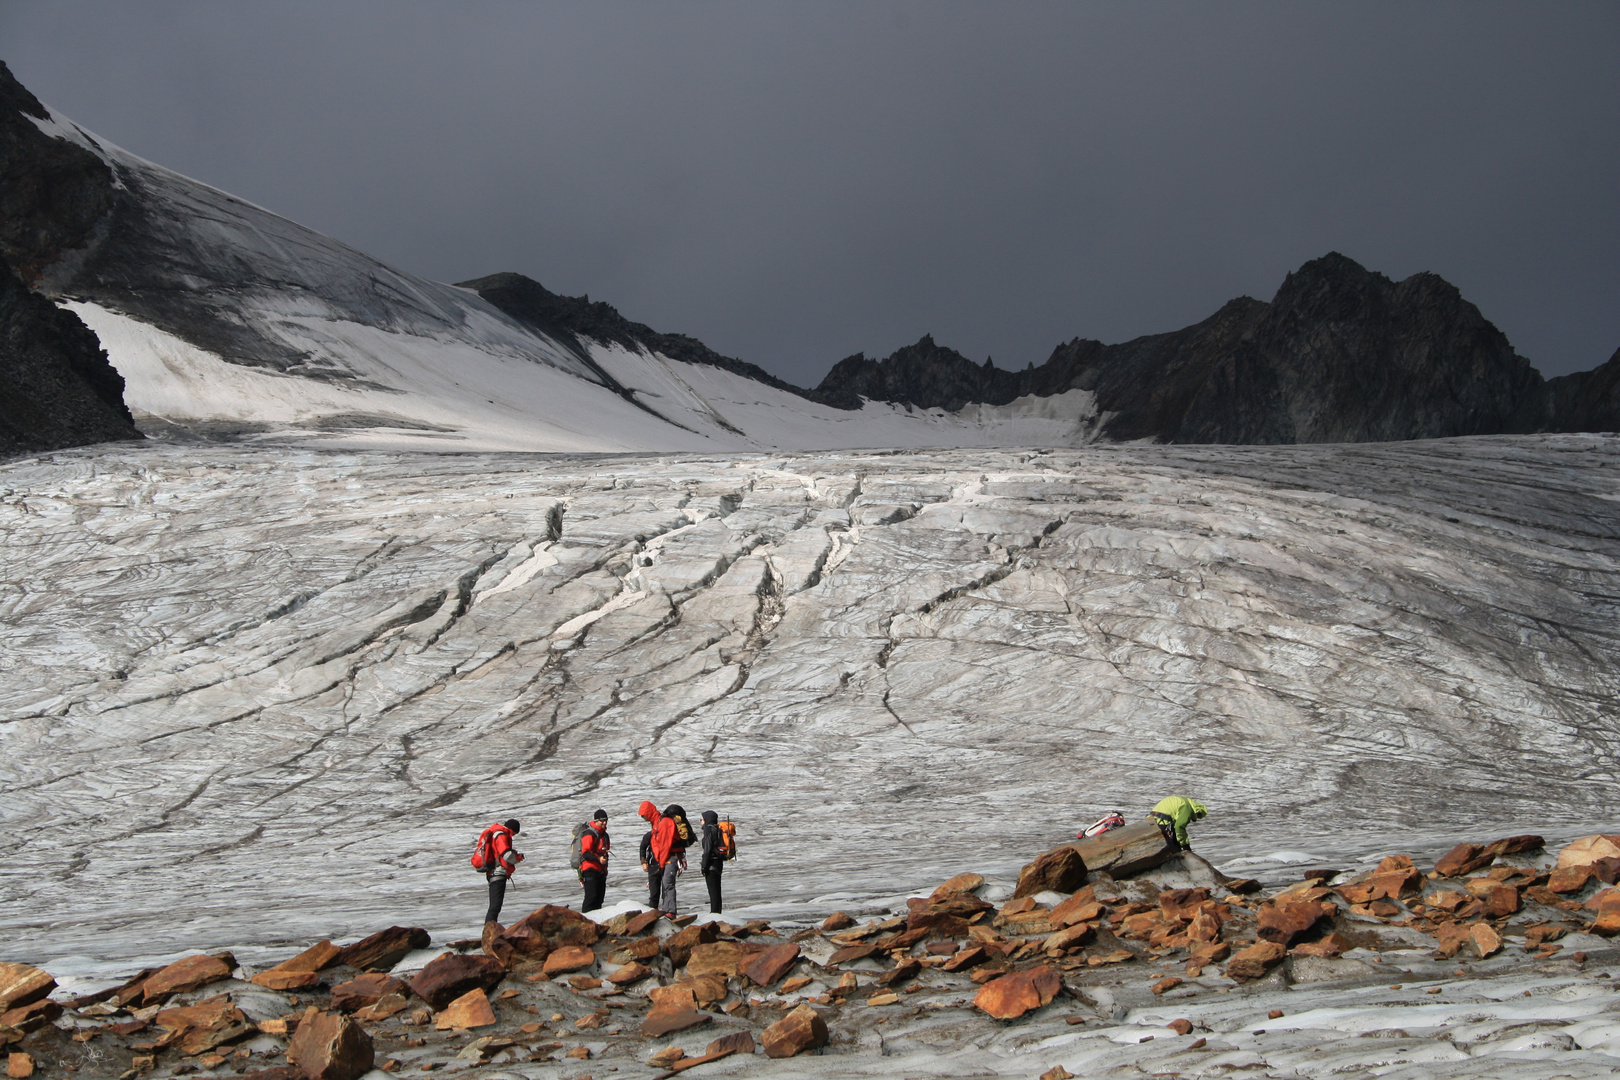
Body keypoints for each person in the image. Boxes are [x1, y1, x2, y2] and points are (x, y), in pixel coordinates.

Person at [638, 800, 689, 915]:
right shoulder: (657, 823)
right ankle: (666, 911)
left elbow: (665, 845)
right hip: (665, 858)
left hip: (670, 857)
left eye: (643, 815)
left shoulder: (664, 823)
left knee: (668, 883)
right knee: (665, 884)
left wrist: (660, 864)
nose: (643, 818)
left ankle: (670, 912)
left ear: (648, 812)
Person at [477, 818, 524, 926]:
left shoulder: (496, 833)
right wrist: (517, 858)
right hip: (498, 873)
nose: (513, 836)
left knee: (494, 906)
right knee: (495, 906)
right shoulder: (501, 835)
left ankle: (489, 931)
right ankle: (489, 933)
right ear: (513, 830)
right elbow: (506, 855)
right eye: (514, 834)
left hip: (493, 873)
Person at [578, 809, 610, 913]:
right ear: (596, 821)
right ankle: (587, 920)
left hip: (601, 871)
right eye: (602, 820)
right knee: (591, 898)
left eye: (606, 820)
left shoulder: (605, 835)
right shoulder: (589, 833)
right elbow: (585, 852)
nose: (604, 822)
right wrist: (598, 858)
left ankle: (596, 921)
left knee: (599, 899)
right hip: (589, 869)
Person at [639, 828, 659, 909]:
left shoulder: (668, 833)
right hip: (653, 866)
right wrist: (643, 862)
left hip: (667, 865)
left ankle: (669, 912)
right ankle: (653, 912)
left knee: (667, 891)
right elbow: (642, 847)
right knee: (654, 893)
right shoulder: (650, 835)